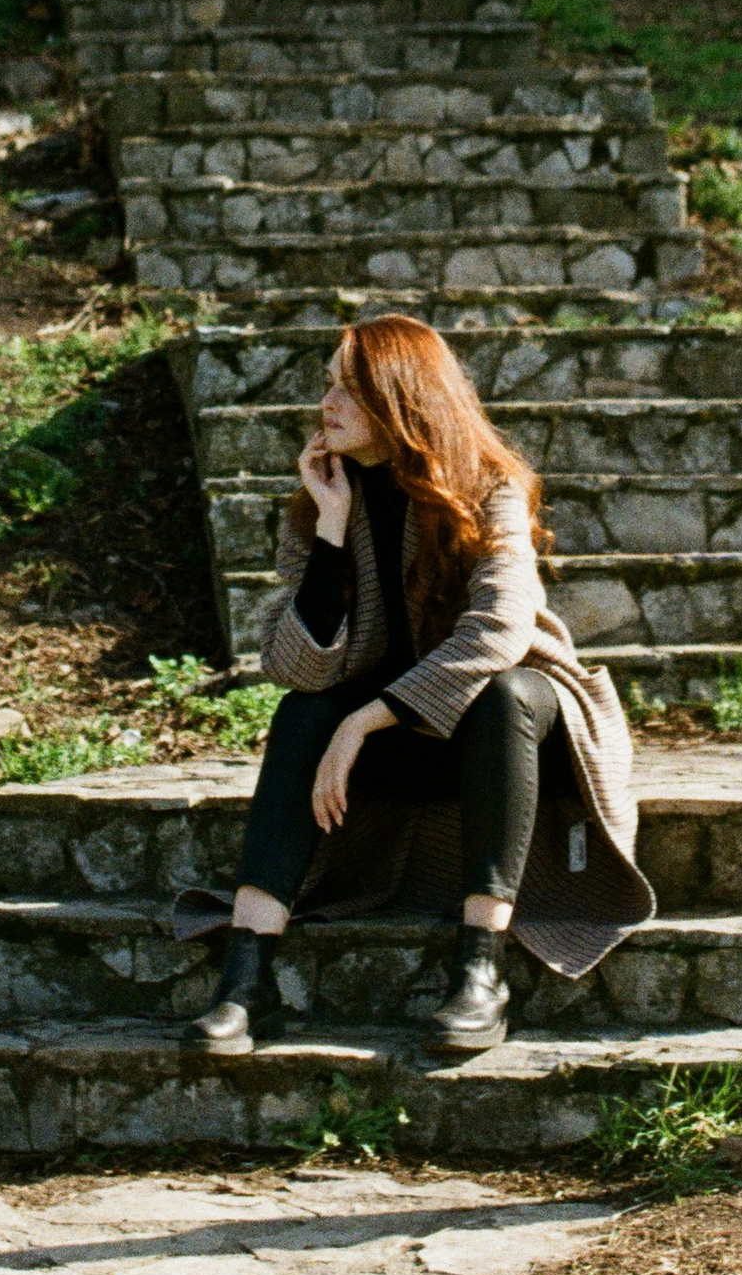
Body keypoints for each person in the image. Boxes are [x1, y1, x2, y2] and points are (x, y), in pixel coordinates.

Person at [181, 312, 653, 1060]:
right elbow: (296, 664)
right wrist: (332, 532)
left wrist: (365, 719)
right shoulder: (328, 498)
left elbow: (500, 631)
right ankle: (247, 979)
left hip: (516, 733)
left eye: (349, 387)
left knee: (503, 692)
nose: (326, 403)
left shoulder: (489, 486)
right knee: (304, 710)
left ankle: (480, 970)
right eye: (328, 384)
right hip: (411, 742)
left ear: (400, 398)